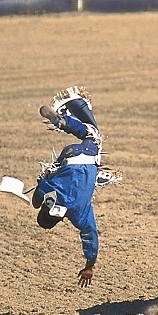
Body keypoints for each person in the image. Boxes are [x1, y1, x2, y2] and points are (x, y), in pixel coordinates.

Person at [34, 87, 119, 287]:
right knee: (89, 135)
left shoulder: (79, 215)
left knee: (94, 135)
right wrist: (38, 200)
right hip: (69, 155)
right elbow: (40, 191)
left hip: (87, 159)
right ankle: (64, 122)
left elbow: (91, 236)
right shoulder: (52, 190)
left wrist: (90, 265)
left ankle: (63, 121)